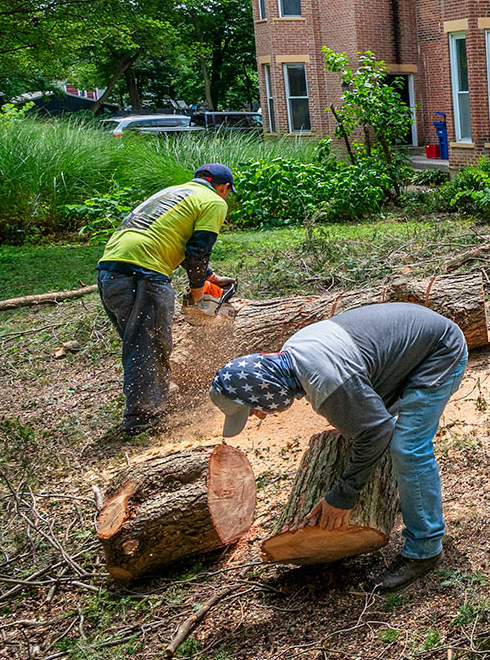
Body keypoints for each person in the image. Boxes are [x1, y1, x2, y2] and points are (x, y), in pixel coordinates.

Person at [207, 302, 468, 592]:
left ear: (261, 391)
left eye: (252, 408)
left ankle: (425, 550)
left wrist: (343, 495)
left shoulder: (325, 380)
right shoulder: (296, 353)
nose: (257, 415)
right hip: (414, 342)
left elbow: (378, 430)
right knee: (364, 430)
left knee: (407, 448)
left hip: (439, 352)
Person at [97, 163, 235, 436]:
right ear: (224, 188)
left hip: (109, 271)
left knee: (138, 345)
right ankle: (142, 423)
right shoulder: (214, 201)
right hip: (143, 275)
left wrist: (208, 277)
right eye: (227, 192)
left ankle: (153, 405)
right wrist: (198, 294)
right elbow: (197, 250)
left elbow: (170, 238)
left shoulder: (173, 193)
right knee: (149, 347)